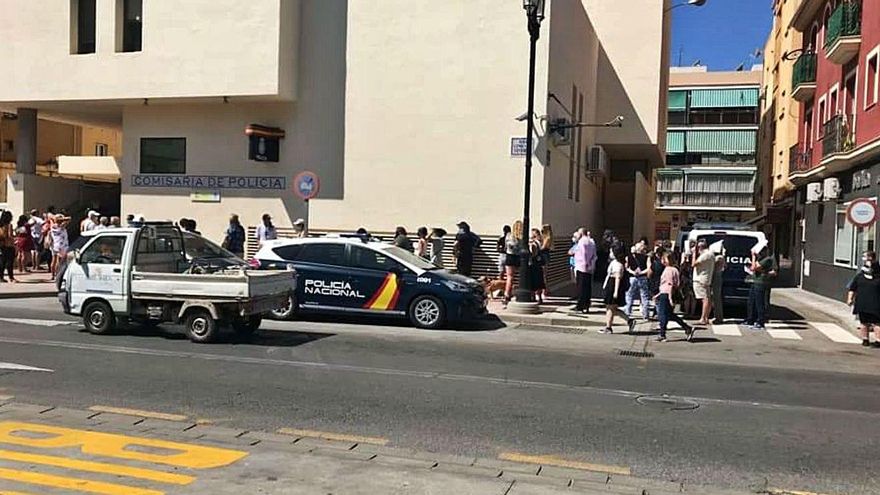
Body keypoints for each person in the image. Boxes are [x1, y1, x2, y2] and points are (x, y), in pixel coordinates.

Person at [655, 252, 694, 342]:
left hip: (666, 294)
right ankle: (687, 327)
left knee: (662, 315)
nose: (662, 260)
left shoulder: (669, 270)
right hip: (665, 293)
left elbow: (670, 285)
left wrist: (669, 297)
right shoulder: (675, 269)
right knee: (669, 315)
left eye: (664, 259)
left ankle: (662, 334)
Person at [847, 252, 880, 347]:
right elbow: (852, 288)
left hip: (876, 302)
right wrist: (850, 299)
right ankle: (865, 339)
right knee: (863, 321)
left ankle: (878, 341)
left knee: (877, 322)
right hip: (862, 302)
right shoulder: (860, 276)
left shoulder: (878, 275)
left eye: (866, 258)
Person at [743, 246, 777, 330]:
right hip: (755, 281)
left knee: (759, 303)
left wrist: (753, 257)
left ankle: (760, 322)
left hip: (761, 282)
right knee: (751, 302)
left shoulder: (767, 259)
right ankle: (750, 319)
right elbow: (752, 268)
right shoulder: (761, 259)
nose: (759, 254)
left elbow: (754, 267)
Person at [600, 246, 628, 334]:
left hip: (612, 286)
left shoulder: (618, 264)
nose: (610, 253)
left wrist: (615, 291)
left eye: (611, 252)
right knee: (612, 308)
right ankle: (629, 320)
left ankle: (608, 327)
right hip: (609, 284)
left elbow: (617, 278)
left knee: (610, 308)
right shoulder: (614, 262)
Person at [624, 241, 651, 327]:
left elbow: (626, 267)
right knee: (644, 296)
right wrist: (642, 272)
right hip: (643, 278)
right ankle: (645, 315)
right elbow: (649, 268)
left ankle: (627, 312)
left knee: (629, 295)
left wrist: (633, 272)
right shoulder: (647, 257)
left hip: (632, 277)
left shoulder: (629, 257)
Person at [569, 228, 597, 313]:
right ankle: (587, 304)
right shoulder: (591, 241)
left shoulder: (582, 242)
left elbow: (584, 253)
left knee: (581, 287)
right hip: (589, 268)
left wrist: (586, 263)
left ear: (581, 233)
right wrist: (591, 263)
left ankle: (580, 305)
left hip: (582, 266)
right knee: (587, 287)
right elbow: (594, 254)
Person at [691, 240, 715, 326]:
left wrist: (694, 254)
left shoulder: (705, 255)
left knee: (704, 299)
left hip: (700, 279)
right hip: (706, 279)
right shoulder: (711, 254)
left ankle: (703, 318)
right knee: (707, 298)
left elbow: (694, 264)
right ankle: (706, 317)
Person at [528, 228, 546, 304]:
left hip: (534, 264)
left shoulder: (534, 244)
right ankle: (539, 297)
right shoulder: (540, 242)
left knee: (534, 281)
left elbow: (533, 253)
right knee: (539, 281)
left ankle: (534, 297)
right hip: (539, 264)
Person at [711, 248, 727, 324]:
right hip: (717, 277)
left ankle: (718, 317)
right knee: (715, 298)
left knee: (716, 298)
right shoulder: (721, 257)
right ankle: (717, 316)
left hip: (716, 277)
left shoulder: (719, 258)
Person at [538, 224, 553, 300]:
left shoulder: (548, 238)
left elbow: (543, 247)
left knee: (543, 274)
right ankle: (544, 290)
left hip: (544, 255)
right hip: (543, 255)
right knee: (542, 274)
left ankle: (544, 291)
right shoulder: (543, 237)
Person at [0, 211, 16, 282]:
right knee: (10, 262)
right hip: (9, 245)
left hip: (2, 245)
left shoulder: (1, 225)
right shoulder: (9, 225)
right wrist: (15, 239)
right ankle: (11, 277)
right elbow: (10, 236)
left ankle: (1, 277)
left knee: (2, 262)